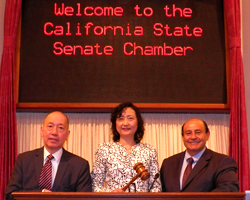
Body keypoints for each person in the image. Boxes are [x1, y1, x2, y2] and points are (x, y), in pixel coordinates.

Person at [5, 111, 92, 200]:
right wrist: (41, 194)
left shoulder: (79, 165)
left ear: (67, 135)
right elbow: (10, 195)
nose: (54, 132)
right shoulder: (24, 160)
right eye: (50, 126)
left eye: (60, 128)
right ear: (42, 131)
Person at [91, 102, 161, 192]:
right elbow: (95, 185)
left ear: (138, 122)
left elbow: (156, 187)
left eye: (130, 118)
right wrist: (111, 194)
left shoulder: (149, 151)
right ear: (115, 123)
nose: (125, 123)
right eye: (121, 119)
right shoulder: (104, 149)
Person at [160, 118, 239, 192]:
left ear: (207, 135)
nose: (193, 137)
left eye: (198, 132)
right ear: (183, 137)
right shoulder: (168, 164)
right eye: (188, 133)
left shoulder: (222, 162)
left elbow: (229, 190)